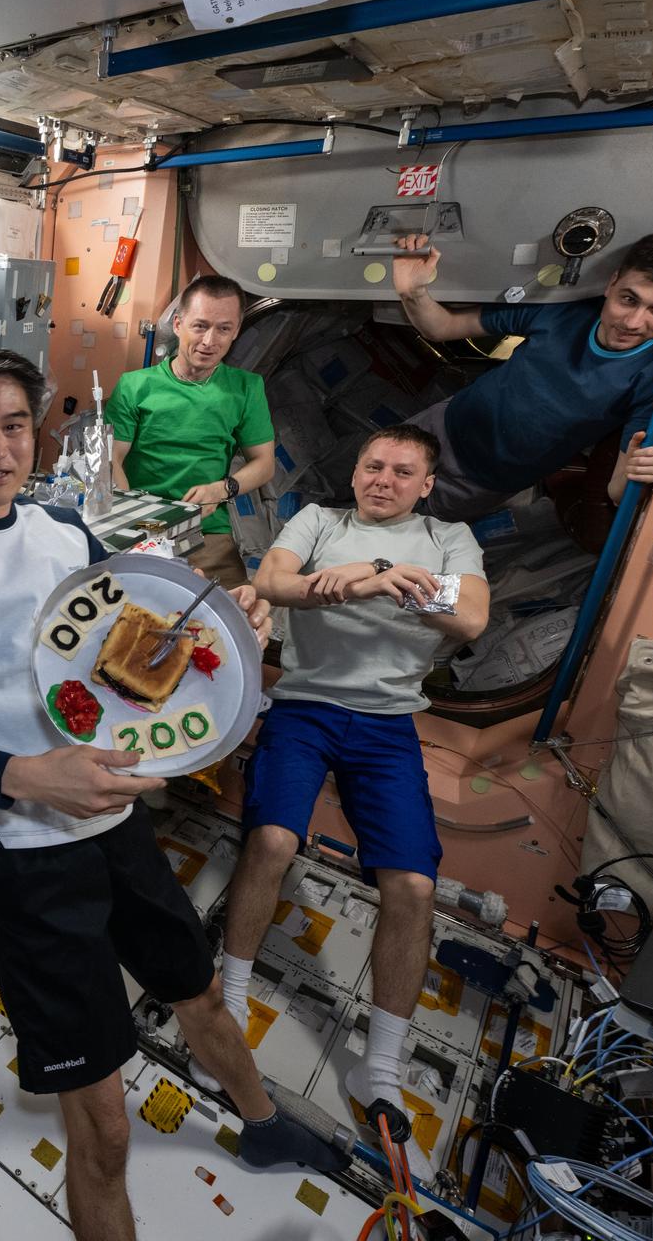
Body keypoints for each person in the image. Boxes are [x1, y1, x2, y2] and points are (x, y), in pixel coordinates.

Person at [0, 343, 347, 1241]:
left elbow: (124, 664)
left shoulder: (66, 534)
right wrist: (19, 775)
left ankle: (266, 1126)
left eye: (13, 425)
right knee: (106, 1125)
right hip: (18, 855)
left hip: (114, 823)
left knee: (199, 996)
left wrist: (227, 634)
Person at [231, 424, 489, 1174]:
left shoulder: (449, 537)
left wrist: (380, 575)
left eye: (402, 471)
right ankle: (232, 990)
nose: (383, 479)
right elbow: (275, 581)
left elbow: (470, 618)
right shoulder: (319, 521)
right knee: (273, 841)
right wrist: (342, 583)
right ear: (355, 471)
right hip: (305, 707)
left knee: (412, 885)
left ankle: (379, 1064)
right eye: (373, 465)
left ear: (425, 485)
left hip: (387, 726)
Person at [391, 228, 653, 522]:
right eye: (629, 299)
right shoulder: (566, 307)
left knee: (393, 528)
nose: (633, 322)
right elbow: (443, 327)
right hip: (439, 426)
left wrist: (638, 475)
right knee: (359, 481)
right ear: (612, 283)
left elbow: (615, 493)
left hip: (481, 480)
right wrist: (413, 292)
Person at [108, 275, 276, 587]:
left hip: (206, 533)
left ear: (236, 331)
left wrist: (222, 489)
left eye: (224, 329)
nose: (210, 341)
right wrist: (133, 522)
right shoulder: (134, 386)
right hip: (140, 525)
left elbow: (265, 464)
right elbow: (112, 460)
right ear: (177, 324)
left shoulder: (246, 388)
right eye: (200, 326)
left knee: (230, 619)